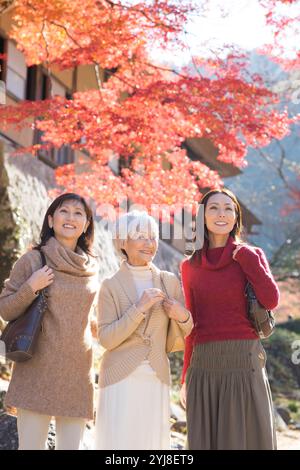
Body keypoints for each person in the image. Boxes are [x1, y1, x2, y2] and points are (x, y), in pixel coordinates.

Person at [180, 188, 279, 450]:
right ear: (202, 216)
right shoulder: (189, 266)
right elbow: (192, 326)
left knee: (246, 439)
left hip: (243, 361)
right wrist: (184, 378)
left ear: (236, 217)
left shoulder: (250, 255)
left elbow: (271, 301)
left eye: (228, 208)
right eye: (213, 208)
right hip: (203, 365)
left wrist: (248, 260)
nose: (221, 214)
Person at [0, 193, 98, 450]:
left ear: (87, 224)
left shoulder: (92, 268)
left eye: (79, 213)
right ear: (51, 220)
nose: (71, 218)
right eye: (64, 211)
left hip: (77, 375)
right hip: (37, 372)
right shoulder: (33, 260)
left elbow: (87, 318)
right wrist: (30, 287)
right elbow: (5, 309)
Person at [94, 210, 193, 450]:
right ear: (123, 242)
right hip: (118, 377)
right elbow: (106, 339)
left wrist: (183, 316)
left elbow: (186, 334)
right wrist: (138, 308)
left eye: (153, 237)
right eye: (141, 236)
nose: (149, 243)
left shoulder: (169, 281)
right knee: (117, 444)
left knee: (152, 444)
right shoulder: (110, 286)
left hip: (156, 376)